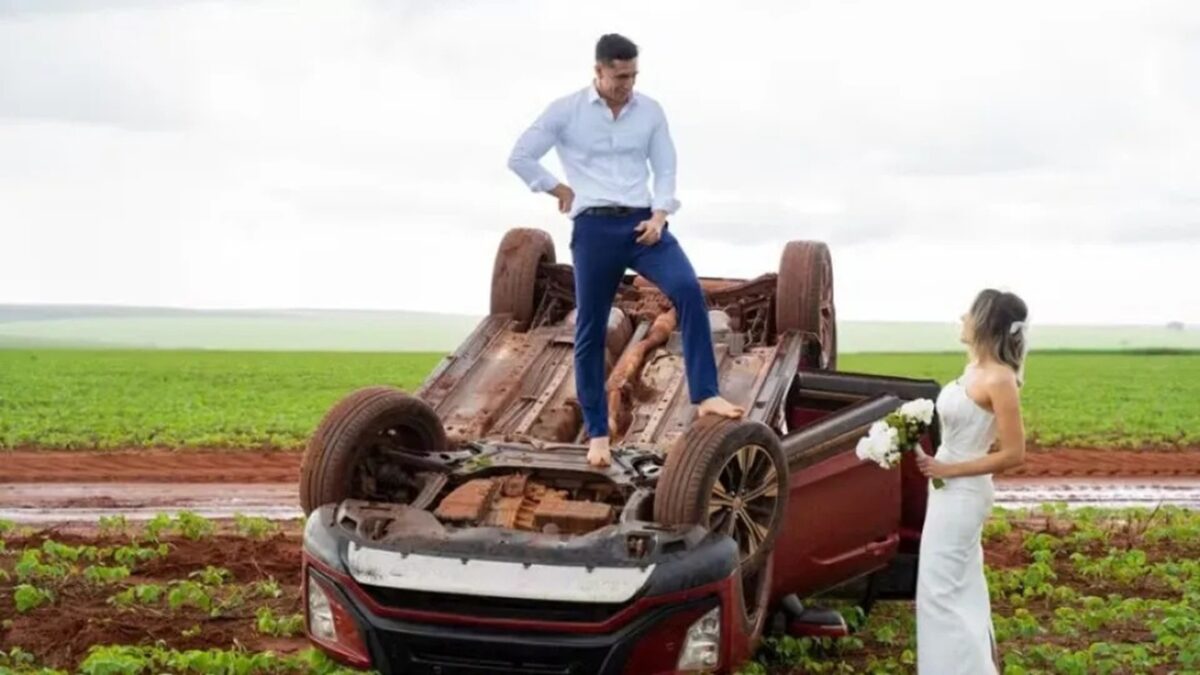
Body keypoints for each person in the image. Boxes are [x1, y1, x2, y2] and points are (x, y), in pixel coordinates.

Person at [507, 33, 744, 468]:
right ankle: (598, 434)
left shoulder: (650, 111)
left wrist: (660, 215)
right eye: (619, 76)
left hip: (642, 226)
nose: (627, 84)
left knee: (688, 290)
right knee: (591, 330)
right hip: (594, 229)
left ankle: (706, 394)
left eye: (633, 75)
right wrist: (556, 188)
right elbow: (520, 156)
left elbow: (666, 166)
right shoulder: (566, 111)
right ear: (598, 72)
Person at [913, 289, 1029, 673]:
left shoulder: (1000, 379)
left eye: (968, 312)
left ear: (983, 321)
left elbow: (1014, 454)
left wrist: (949, 469)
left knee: (940, 593)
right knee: (955, 589)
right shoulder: (972, 371)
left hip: (963, 493)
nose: (961, 316)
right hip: (945, 489)